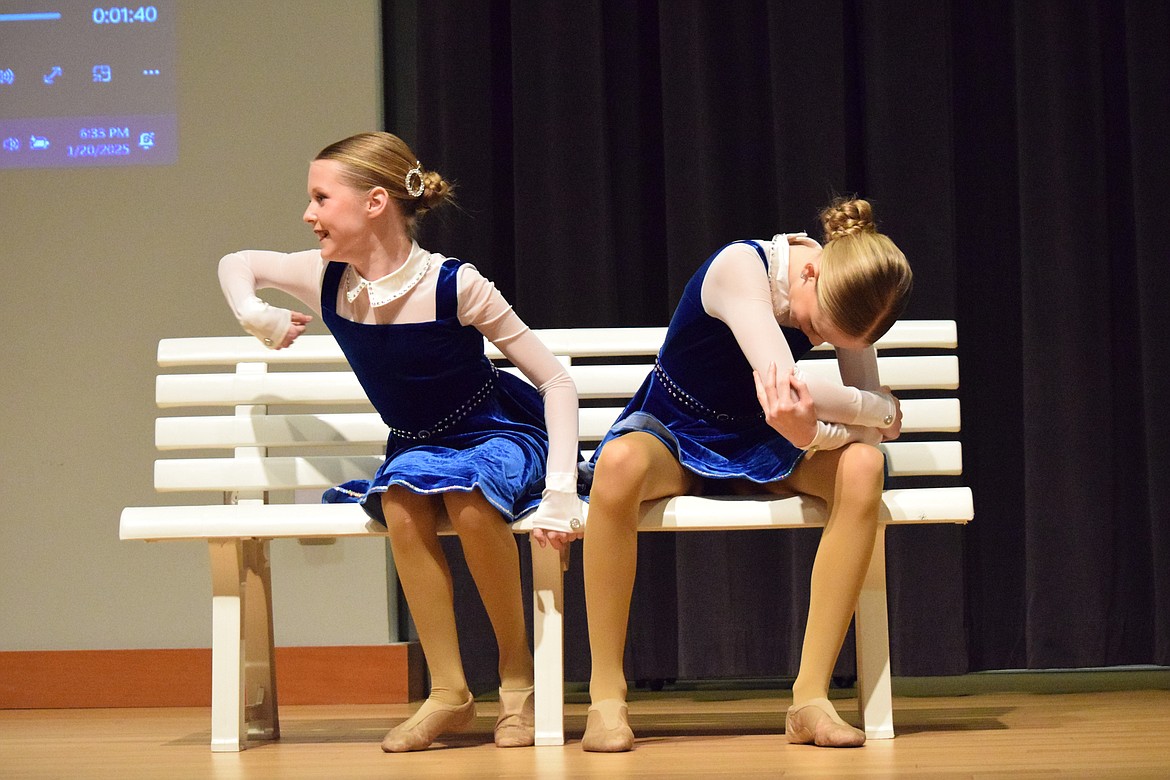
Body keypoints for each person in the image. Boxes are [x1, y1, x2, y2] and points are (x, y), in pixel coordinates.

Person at [217, 132, 583, 752]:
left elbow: (556, 379)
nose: (308, 215)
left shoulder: (453, 285)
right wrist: (257, 313)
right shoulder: (327, 278)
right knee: (401, 499)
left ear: (375, 202)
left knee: (470, 497)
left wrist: (561, 490)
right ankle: (449, 693)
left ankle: (517, 682)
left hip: (494, 432)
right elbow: (238, 263)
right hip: (416, 445)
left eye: (320, 198)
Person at [579, 197, 912, 751]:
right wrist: (871, 412)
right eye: (815, 328)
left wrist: (862, 417)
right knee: (618, 463)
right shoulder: (742, 268)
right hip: (678, 431)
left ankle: (810, 698)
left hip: (765, 442)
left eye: (835, 342)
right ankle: (606, 696)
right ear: (811, 270)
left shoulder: (848, 293)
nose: (822, 342)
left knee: (863, 465)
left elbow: (868, 423)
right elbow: (796, 392)